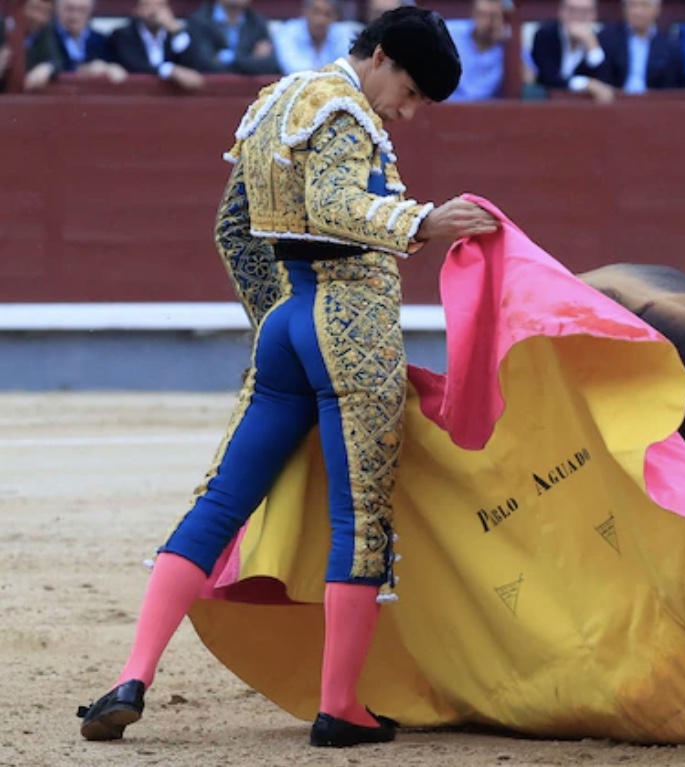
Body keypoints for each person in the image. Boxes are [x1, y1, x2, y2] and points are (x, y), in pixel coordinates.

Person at [75, 6, 498, 749]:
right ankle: (341, 706)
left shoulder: (274, 102)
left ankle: (132, 675)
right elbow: (336, 204)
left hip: (289, 326)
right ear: (383, 57)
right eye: (413, 90)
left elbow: (232, 229)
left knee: (220, 500)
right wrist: (422, 222)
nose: (411, 109)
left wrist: (281, 319)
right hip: (352, 327)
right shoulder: (344, 110)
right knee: (359, 517)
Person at [108, 0, 206, 90]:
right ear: (138, 10)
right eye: (148, 6)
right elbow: (134, 65)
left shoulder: (177, 35)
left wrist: (177, 32)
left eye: (161, 6)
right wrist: (170, 70)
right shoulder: (123, 35)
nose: (155, 12)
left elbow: (196, 65)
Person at [597, 0, 685, 94]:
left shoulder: (669, 45)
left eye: (644, 5)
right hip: (616, 101)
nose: (637, 12)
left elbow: (671, 87)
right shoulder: (607, 37)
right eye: (632, 5)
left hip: (653, 104)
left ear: (657, 9)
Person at [273, 0, 352, 74]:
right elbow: (293, 69)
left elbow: (349, 68)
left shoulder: (344, 33)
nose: (321, 20)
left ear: (335, 16)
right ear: (305, 11)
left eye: (328, 14)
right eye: (316, 12)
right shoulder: (287, 31)